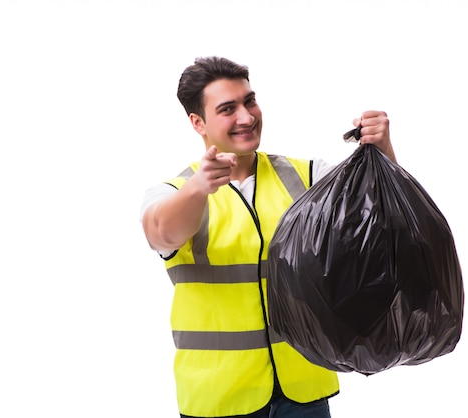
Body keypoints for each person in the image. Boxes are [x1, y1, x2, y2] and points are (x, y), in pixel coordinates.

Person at [139, 56, 397, 418]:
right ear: (198, 122)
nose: (246, 117)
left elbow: (383, 215)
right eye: (228, 108)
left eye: (250, 101)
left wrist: (382, 151)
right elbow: (160, 232)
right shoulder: (175, 192)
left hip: (303, 394)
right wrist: (199, 188)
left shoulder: (306, 176)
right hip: (220, 400)